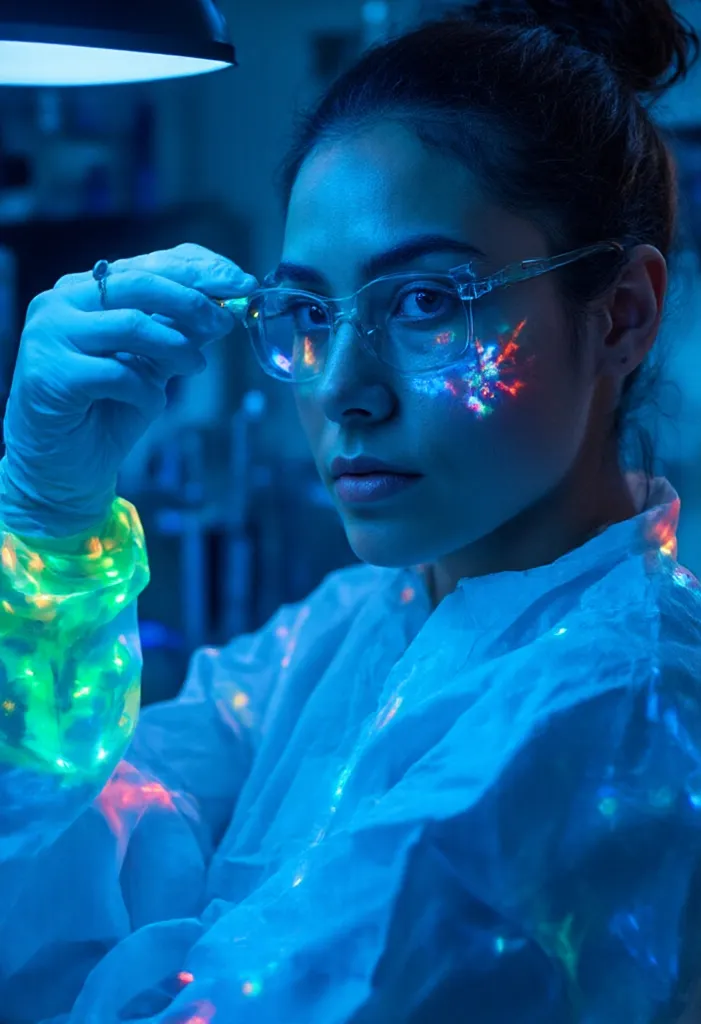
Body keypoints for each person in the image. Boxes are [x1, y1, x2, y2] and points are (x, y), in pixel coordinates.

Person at [1, 0, 701, 1020]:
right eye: (309, 313)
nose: (340, 388)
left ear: (620, 316)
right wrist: (50, 529)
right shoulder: (365, 618)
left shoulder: (610, 707)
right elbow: (57, 822)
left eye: (423, 301)